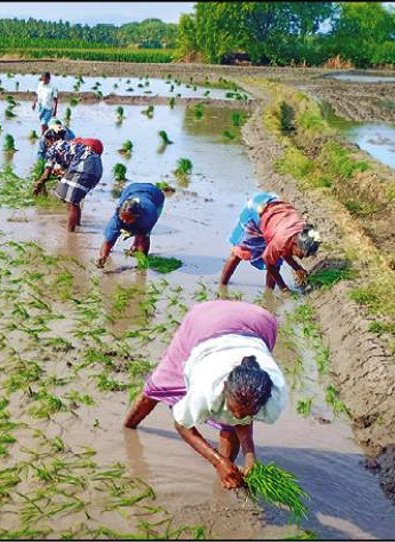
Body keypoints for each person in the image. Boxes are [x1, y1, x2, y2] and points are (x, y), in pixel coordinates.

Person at [124, 300, 287, 489]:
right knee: (160, 384)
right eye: (234, 410)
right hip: (205, 322)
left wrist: (250, 455)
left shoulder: (269, 392)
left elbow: (242, 416)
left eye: (248, 413)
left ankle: (226, 479)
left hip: (260, 323)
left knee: (234, 417)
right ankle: (128, 428)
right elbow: (182, 424)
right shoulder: (207, 384)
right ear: (224, 386)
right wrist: (216, 460)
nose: (239, 418)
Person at [220, 192, 321, 292]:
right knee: (239, 253)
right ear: (295, 243)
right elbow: (269, 262)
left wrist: (297, 268)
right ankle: (222, 287)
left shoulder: (301, 230)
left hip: (274, 214)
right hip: (256, 210)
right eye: (302, 254)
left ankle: (269, 292)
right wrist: (284, 288)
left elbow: (284, 250)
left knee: (276, 262)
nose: (302, 257)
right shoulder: (281, 240)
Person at [33, 132, 103, 232]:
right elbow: (66, 168)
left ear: (50, 141)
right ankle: (77, 225)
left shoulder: (55, 147)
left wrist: (39, 183)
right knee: (75, 199)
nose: (47, 145)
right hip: (96, 167)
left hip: (85, 165)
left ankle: (70, 233)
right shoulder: (68, 146)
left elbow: (46, 174)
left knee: (72, 201)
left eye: (47, 143)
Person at [96, 183, 165, 269]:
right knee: (113, 234)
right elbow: (108, 240)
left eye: (129, 218)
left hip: (155, 195)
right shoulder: (116, 218)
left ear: (137, 216)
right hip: (131, 190)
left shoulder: (149, 215)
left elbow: (144, 239)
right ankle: (132, 245)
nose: (126, 221)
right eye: (123, 218)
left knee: (142, 234)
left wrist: (142, 262)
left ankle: (135, 246)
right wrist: (103, 256)